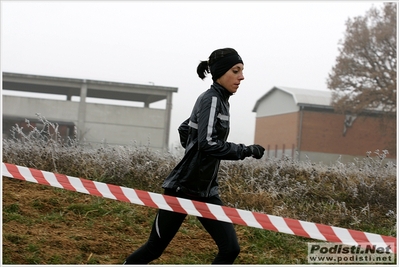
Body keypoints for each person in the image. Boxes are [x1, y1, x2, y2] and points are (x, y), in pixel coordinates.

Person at [123, 48, 265, 264]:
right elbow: (207, 143)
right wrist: (245, 150)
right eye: (236, 71)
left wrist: (194, 153)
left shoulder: (222, 100)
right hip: (182, 189)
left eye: (242, 71)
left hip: (206, 192)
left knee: (230, 249)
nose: (241, 77)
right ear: (220, 72)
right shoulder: (213, 99)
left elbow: (185, 128)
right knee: (154, 249)